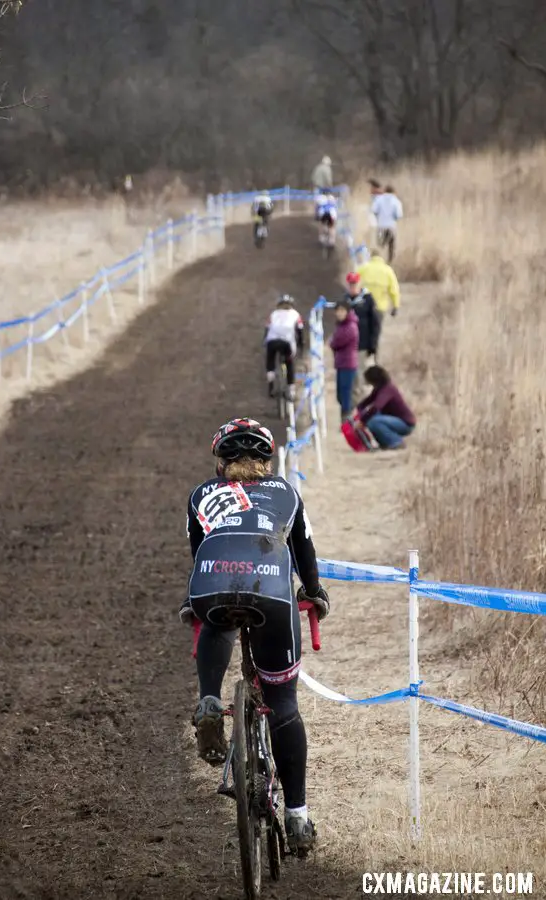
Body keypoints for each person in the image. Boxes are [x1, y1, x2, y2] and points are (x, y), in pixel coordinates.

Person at [179, 417, 330, 854]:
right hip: (272, 595)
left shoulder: (201, 495)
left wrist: (194, 602)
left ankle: (209, 698)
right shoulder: (286, 492)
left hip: (214, 587)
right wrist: (315, 593)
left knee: (217, 618)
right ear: (267, 459)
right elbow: (304, 552)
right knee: (283, 703)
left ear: (221, 462)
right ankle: (298, 816)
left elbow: (199, 555)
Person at [355, 365, 416, 449]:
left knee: (373, 421)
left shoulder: (388, 389)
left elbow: (376, 407)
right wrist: (358, 412)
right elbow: (365, 402)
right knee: (371, 419)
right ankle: (385, 444)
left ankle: (396, 442)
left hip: (405, 424)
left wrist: (362, 421)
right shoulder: (379, 388)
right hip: (393, 420)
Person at [344, 272, 381, 402]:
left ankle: (369, 402)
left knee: (364, 374)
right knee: (353, 376)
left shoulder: (368, 300)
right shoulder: (345, 301)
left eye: (355, 284)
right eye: (350, 284)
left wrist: (373, 344)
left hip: (364, 344)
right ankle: (356, 403)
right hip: (349, 346)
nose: (353, 287)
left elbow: (375, 323)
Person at [264, 295, 304, 401]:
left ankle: (271, 383)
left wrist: (265, 342)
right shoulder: (295, 314)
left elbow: (267, 329)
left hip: (272, 341)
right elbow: (300, 330)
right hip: (286, 342)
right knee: (289, 362)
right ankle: (291, 390)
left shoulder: (273, 314)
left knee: (270, 359)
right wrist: (300, 344)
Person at [329, 300, 359, 422]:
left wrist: (333, 342)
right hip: (341, 363)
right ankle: (347, 419)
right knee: (340, 394)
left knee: (345, 393)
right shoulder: (341, 325)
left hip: (348, 363)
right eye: (338, 311)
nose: (339, 313)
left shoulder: (351, 326)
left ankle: (347, 420)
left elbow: (336, 342)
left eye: (342, 310)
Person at [357, 249, 400, 318]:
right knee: (377, 328)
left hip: (364, 306)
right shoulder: (388, 270)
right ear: (381, 258)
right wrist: (395, 306)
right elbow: (394, 290)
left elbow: (352, 283)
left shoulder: (363, 268)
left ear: (371, 257)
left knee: (364, 328)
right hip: (380, 308)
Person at [370, 185, 403, 263]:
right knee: (391, 248)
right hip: (391, 227)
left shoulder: (379, 199)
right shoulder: (396, 201)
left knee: (380, 246)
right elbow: (399, 215)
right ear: (394, 192)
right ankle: (389, 263)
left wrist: (379, 217)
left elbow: (374, 210)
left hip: (381, 227)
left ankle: (378, 262)